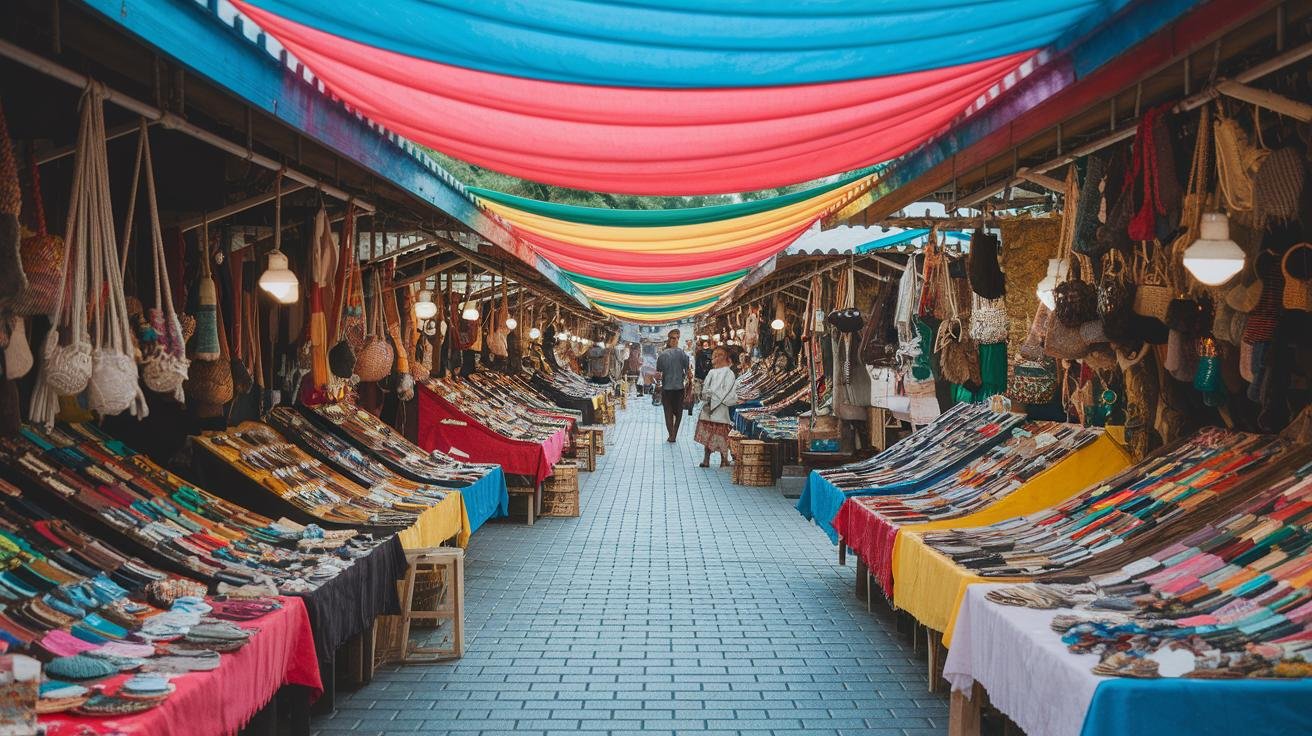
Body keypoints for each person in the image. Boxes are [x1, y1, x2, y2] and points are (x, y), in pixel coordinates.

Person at [695, 347, 737, 467]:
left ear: (723, 357)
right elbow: (729, 393)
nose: (713, 358)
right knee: (716, 435)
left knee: (715, 435)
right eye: (714, 355)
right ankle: (715, 459)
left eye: (716, 355)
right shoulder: (715, 372)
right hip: (715, 408)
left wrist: (712, 398)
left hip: (715, 408)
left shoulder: (728, 373)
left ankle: (719, 459)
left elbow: (726, 390)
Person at [655, 329, 692, 443]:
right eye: (673, 338)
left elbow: (658, 374)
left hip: (672, 388)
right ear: (670, 339)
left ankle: (672, 434)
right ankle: (673, 434)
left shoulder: (665, 355)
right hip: (674, 388)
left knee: (671, 413)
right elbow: (688, 372)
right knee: (674, 413)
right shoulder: (681, 354)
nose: (675, 340)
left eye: (676, 338)